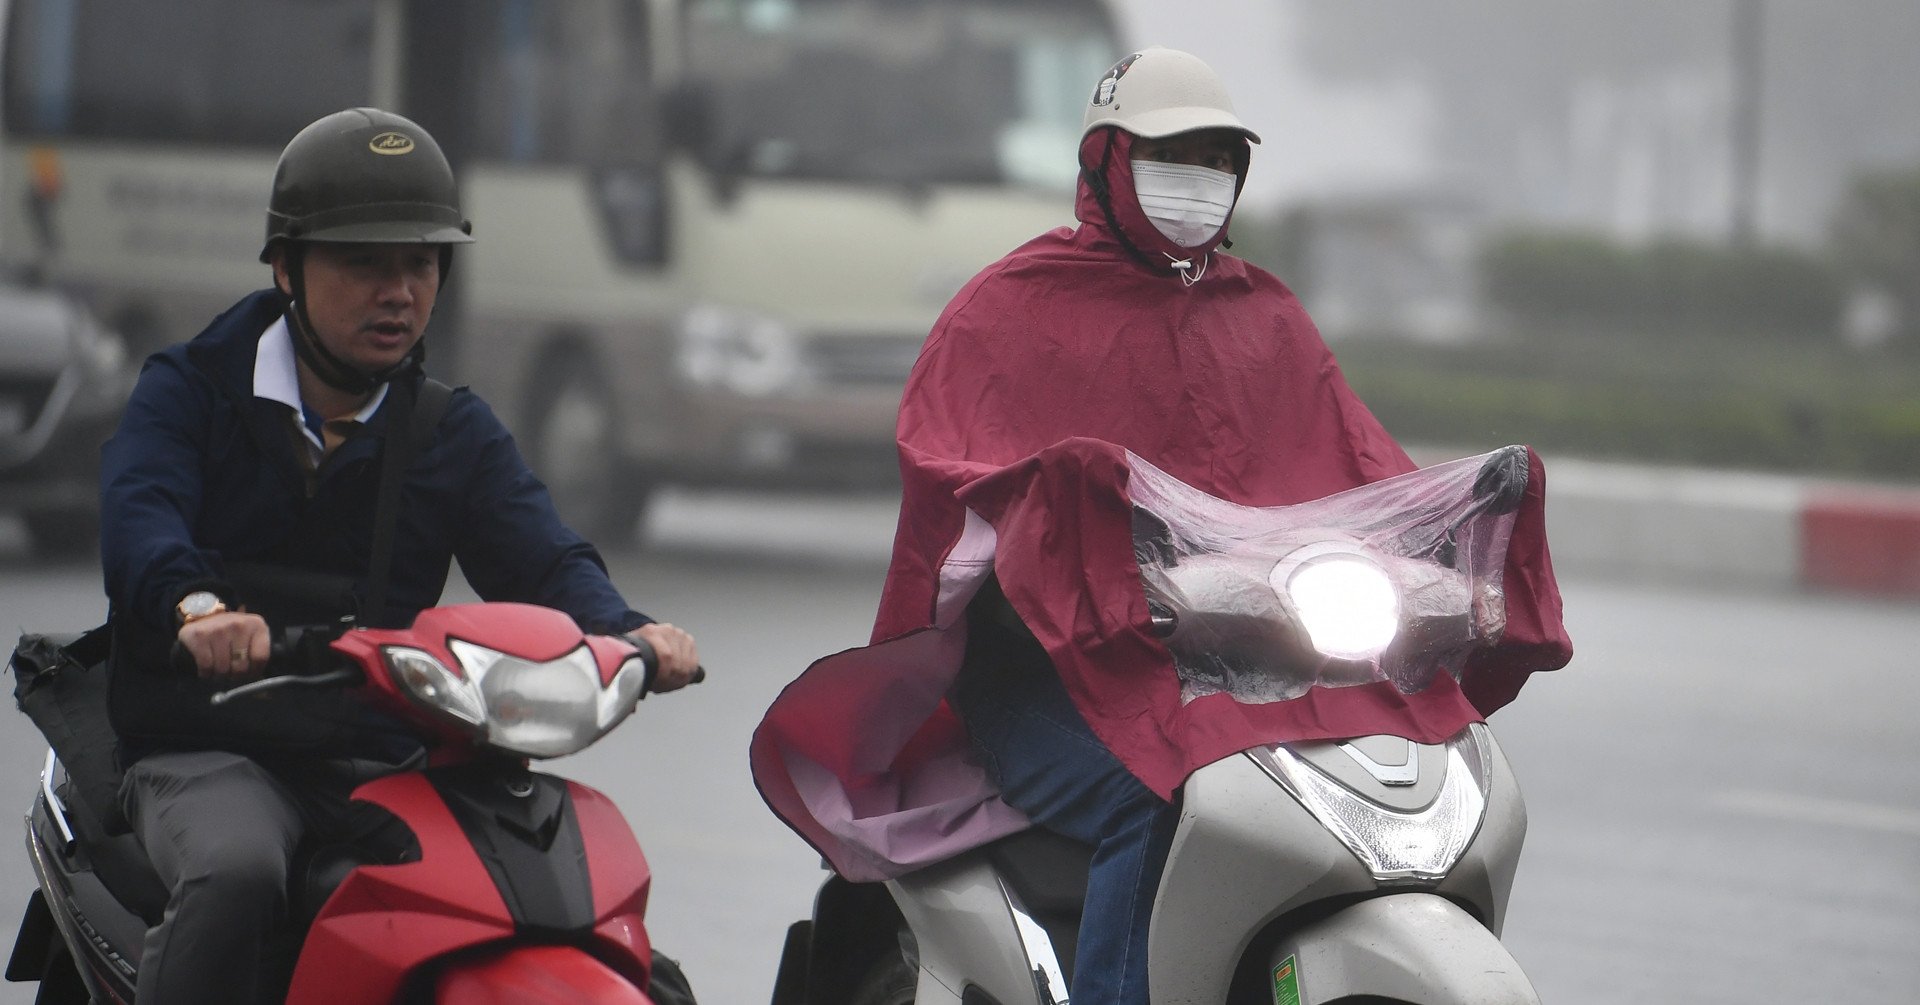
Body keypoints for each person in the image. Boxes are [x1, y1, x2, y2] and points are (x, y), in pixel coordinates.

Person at [751, 47, 1572, 1003]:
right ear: (1106, 161)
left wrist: (1443, 566)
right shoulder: (1006, 310)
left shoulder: (1264, 316)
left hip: (1255, 667)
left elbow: (1362, 472)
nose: (1199, 180)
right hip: (1046, 673)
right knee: (1158, 794)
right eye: (1171, 154)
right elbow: (955, 492)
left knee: (1445, 763)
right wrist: (1060, 522)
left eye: (1218, 158)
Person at [98, 107, 701, 1005]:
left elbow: (544, 560)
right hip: (211, 746)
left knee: (548, 894)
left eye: (420, 264)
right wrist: (197, 610)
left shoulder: (451, 431)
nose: (398, 292)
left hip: (384, 755)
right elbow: (140, 515)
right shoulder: (189, 391)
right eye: (364, 263)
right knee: (236, 872)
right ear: (286, 267)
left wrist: (627, 632)